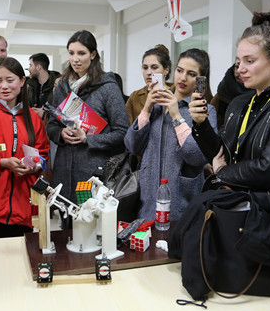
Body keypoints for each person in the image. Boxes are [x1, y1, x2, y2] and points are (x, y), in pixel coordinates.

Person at [189, 12, 270, 211]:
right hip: (234, 206)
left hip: (269, 213)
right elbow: (220, 153)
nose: (240, 69)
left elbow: (269, 169)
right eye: (239, 61)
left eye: (250, 61)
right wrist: (201, 124)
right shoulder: (239, 102)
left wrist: (222, 172)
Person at [124, 48, 217, 221]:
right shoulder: (157, 106)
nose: (182, 78)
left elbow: (196, 156)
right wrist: (147, 108)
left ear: (201, 79)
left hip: (181, 202)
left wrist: (176, 115)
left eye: (191, 74)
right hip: (147, 198)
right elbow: (132, 146)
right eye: (179, 70)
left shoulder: (205, 111)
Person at [0, 57, 50, 239]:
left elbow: (43, 154)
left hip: (23, 208)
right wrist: (3, 163)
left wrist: (34, 165)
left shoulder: (33, 118)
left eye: (10, 80)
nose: (4, 86)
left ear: (22, 81)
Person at [47, 30, 129, 204]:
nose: (75, 59)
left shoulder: (107, 87)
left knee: (87, 216)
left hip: (92, 172)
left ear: (93, 55)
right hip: (64, 170)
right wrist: (60, 134)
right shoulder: (62, 87)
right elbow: (52, 125)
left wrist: (87, 139)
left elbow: (122, 132)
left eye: (81, 53)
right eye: (71, 53)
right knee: (65, 215)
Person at [125, 44, 172, 124]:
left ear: (166, 70)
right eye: (145, 68)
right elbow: (127, 127)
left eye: (154, 67)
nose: (149, 72)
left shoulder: (176, 92)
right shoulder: (135, 97)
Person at [210, 57, 253, 128]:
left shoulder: (263, 95)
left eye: (246, 67)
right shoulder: (222, 93)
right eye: (237, 66)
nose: (238, 73)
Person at [26, 52, 61, 117]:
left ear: (38, 67)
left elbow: (63, 112)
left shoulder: (58, 85)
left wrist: (45, 114)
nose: (29, 68)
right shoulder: (30, 85)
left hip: (51, 123)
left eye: (30, 65)